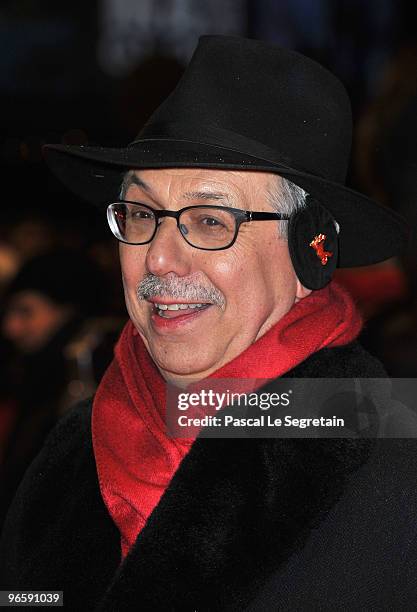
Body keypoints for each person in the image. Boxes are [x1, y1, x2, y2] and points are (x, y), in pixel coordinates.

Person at [0, 35, 415, 611]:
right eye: (142, 214)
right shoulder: (71, 448)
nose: (159, 258)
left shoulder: (393, 467)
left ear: (308, 254)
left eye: (211, 220)